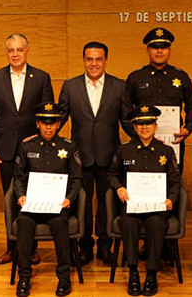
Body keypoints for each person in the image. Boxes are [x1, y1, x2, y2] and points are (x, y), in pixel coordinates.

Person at [0, 33, 53, 264]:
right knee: (11, 199)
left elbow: (47, 113)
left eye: (19, 50)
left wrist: (40, 137)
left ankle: (30, 248)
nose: (15, 54)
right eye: (11, 50)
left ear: (27, 51)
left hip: (34, 148)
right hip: (4, 150)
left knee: (32, 198)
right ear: (7, 53)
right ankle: (12, 247)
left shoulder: (41, 77)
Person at [57, 41, 125, 265]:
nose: (94, 63)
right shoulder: (70, 86)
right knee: (83, 204)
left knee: (107, 203)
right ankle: (84, 245)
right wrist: (38, 138)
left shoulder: (119, 86)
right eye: (89, 59)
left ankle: (105, 246)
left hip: (110, 156)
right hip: (80, 156)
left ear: (105, 60)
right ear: (83, 60)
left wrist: (145, 140)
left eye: (98, 59)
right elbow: (59, 119)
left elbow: (126, 121)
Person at [107, 105, 181, 297]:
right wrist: (119, 188)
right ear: (134, 127)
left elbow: (175, 181)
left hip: (158, 206)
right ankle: (133, 272)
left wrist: (171, 199)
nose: (144, 127)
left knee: (156, 222)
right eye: (140, 124)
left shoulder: (166, 151)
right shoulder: (124, 150)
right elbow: (112, 175)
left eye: (148, 123)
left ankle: (151, 273)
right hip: (133, 204)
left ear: (155, 126)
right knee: (129, 222)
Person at [13, 102, 83, 297]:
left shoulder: (69, 147)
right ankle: (24, 277)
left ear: (59, 124)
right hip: (32, 204)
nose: (48, 126)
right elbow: (18, 177)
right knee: (24, 222)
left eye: (52, 122)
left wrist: (69, 198)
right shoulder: (27, 146)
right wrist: (21, 195)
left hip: (58, 205)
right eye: (44, 122)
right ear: (37, 123)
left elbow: (77, 179)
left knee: (60, 223)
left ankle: (63, 277)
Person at [121, 28, 192, 168]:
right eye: (155, 47)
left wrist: (188, 128)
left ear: (170, 50)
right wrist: (139, 135)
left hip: (173, 141)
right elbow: (125, 112)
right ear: (147, 50)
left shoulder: (181, 77)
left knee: (173, 182)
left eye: (164, 47)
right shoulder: (135, 78)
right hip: (141, 144)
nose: (159, 51)